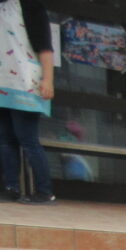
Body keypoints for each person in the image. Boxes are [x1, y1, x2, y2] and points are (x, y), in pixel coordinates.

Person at [0, 0, 56, 204]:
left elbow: (45, 46)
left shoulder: (31, 5)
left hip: (26, 82)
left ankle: (45, 191)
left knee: (28, 139)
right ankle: (11, 187)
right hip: (3, 81)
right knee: (5, 139)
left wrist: (48, 79)